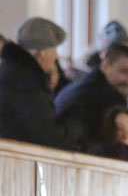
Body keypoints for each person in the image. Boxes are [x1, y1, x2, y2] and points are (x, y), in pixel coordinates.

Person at [0, 17, 74, 149]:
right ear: (42, 53)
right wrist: (74, 129)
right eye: (54, 50)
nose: (56, 56)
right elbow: (46, 136)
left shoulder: (9, 69)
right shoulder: (28, 81)